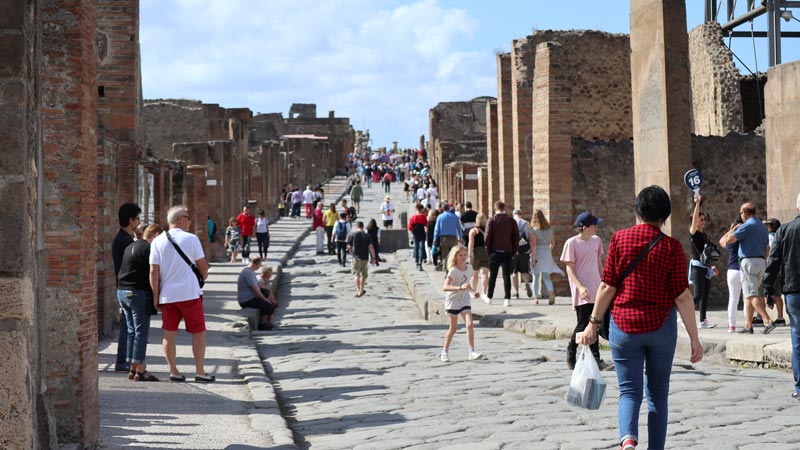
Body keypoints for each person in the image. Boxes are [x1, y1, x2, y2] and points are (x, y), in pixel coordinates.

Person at [578, 185, 703, 450]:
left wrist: (592, 324)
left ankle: (628, 441)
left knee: (629, 391)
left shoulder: (620, 240)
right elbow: (682, 296)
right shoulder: (671, 247)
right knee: (658, 395)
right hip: (660, 327)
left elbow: (607, 287)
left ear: (638, 211)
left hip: (623, 327)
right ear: (665, 215)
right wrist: (695, 339)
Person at [149, 205, 214, 383]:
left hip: (167, 295)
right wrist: (204, 275)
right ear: (180, 219)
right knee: (198, 332)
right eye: (187, 217)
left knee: (169, 334)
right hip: (189, 294)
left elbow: (153, 271)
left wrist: (155, 296)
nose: (189, 221)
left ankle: (173, 371)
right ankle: (200, 371)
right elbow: (203, 268)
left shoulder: (157, 241)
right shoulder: (191, 239)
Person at [764, 192, 800, 401]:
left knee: (797, 340)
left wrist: (768, 289)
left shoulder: (784, 230)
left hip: (793, 290)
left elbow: (773, 261)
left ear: (797, 208)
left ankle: (799, 387)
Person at [117, 224, 163, 382]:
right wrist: (156, 295)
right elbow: (153, 272)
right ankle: (141, 370)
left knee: (131, 331)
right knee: (140, 332)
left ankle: (133, 367)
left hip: (122, 291)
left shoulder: (130, 246)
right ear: (155, 235)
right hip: (138, 292)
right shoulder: (149, 249)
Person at [721, 202, 776, 334]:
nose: (741, 215)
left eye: (741, 213)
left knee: (751, 295)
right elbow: (767, 248)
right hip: (761, 261)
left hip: (748, 262)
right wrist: (763, 259)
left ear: (745, 213)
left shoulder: (747, 225)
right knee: (750, 295)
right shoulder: (762, 227)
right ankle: (748, 325)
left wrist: (732, 230)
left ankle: (767, 320)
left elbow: (729, 240)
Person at [561, 211, 606, 370]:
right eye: (594, 225)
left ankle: (595, 358)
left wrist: (604, 282)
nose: (597, 227)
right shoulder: (571, 243)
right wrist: (580, 287)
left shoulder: (596, 241)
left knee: (595, 322)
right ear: (585, 227)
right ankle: (572, 349)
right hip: (582, 290)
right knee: (582, 323)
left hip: (596, 288)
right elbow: (569, 270)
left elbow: (599, 264)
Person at [440, 245, 484, 363]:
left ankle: (472, 351)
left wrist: (473, 292)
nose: (463, 257)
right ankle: (445, 351)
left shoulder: (469, 268)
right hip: (453, 300)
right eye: (460, 255)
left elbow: (466, 283)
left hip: (464, 298)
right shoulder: (453, 270)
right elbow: (445, 287)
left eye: (465, 255)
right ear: (455, 257)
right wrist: (459, 288)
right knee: (453, 328)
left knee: (470, 324)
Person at [112, 202, 141, 373]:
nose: (138, 222)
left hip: (123, 286)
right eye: (137, 218)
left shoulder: (125, 239)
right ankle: (123, 359)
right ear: (130, 220)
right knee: (128, 326)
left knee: (129, 325)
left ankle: (126, 359)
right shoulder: (124, 241)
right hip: (127, 287)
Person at [689, 195, 718, 328]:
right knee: (698, 294)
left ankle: (702, 320)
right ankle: (683, 317)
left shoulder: (704, 235)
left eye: (703, 219)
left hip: (705, 267)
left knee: (705, 295)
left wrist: (712, 266)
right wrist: (697, 204)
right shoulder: (693, 233)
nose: (703, 221)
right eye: (701, 219)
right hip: (697, 267)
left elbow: (707, 253)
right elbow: (694, 220)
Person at [485, 201, 518, 306]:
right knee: (506, 276)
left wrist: (488, 251)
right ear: (504, 208)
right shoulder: (511, 221)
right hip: (507, 251)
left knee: (493, 275)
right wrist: (514, 251)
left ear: (495, 209)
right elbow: (515, 237)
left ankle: (489, 297)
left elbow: (487, 237)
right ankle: (507, 299)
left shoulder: (491, 220)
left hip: (494, 251)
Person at [530, 210, 564, 305]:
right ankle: (551, 291)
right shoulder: (550, 229)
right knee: (546, 275)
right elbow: (553, 243)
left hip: (537, 252)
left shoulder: (533, 230)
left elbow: (533, 245)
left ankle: (535, 298)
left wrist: (533, 258)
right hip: (547, 252)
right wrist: (549, 250)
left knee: (535, 276)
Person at [237, 257, 278, 330]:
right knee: (267, 305)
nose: (259, 267)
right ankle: (262, 324)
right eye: (259, 265)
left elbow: (260, 288)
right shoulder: (248, 272)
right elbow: (255, 289)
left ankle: (266, 322)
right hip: (246, 300)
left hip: (250, 298)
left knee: (268, 300)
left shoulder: (250, 272)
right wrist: (265, 299)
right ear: (256, 264)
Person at [720, 216, 744, 332]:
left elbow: (721, 241)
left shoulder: (729, 241)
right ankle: (748, 323)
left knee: (733, 299)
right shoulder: (743, 238)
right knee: (747, 298)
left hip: (732, 270)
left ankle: (731, 326)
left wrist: (731, 230)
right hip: (743, 269)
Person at [763, 218, 786, 326]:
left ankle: (761, 317)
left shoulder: (771, 237)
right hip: (779, 267)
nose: (766, 227)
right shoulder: (780, 236)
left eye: (768, 225)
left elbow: (769, 251)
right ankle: (780, 317)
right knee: (776, 293)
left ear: (772, 226)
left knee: (770, 292)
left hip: (771, 267)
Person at [347, 221, 376, 297]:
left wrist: (351, 254)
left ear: (356, 227)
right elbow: (371, 247)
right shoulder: (367, 235)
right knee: (364, 275)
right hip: (365, 257)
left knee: (356, 274)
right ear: (362, 227)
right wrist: (373, 257)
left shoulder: (352, 235)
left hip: (356, 257)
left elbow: (349, 247)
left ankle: (358, 290)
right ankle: (361, 289)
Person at [432, 202, 463, 271]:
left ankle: (446, 269)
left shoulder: (440, 217)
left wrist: (435, 238)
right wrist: (460, 238)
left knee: (445, 255)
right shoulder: (455, 217)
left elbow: (437, 229)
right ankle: (452, 268)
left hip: (443, 238)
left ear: (442, 209)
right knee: (453, 254)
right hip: (453, 238)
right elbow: (459, 229)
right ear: (449, 208)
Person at [467, 213, 490, 302]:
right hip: (486, 251)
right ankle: (484, 292)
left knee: (475, 274)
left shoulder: (473, 231)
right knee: (485, 273)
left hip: (476, 252)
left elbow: (470, 244)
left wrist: (469, 255)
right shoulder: (488, 230)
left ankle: (473, 291)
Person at [512, 209, 533, 299]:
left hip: (513, 251)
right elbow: (530, 237)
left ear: (513, 215)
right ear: (521, 214)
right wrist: (531, 250)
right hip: (524, 250)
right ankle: (527, 284)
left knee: (514, 272)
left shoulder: (510, 222)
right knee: (524, 271)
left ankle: (516, 293)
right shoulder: (527, 223)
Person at [408, 203, 428, 270]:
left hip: (416, 235)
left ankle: (417, 262)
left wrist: (413, 233)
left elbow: (410, 227)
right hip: (422, 234)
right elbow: (426, 226)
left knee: (416, 248)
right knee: (421, 248)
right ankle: (419, 263)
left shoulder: (413, 218)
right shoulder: (423, 217)